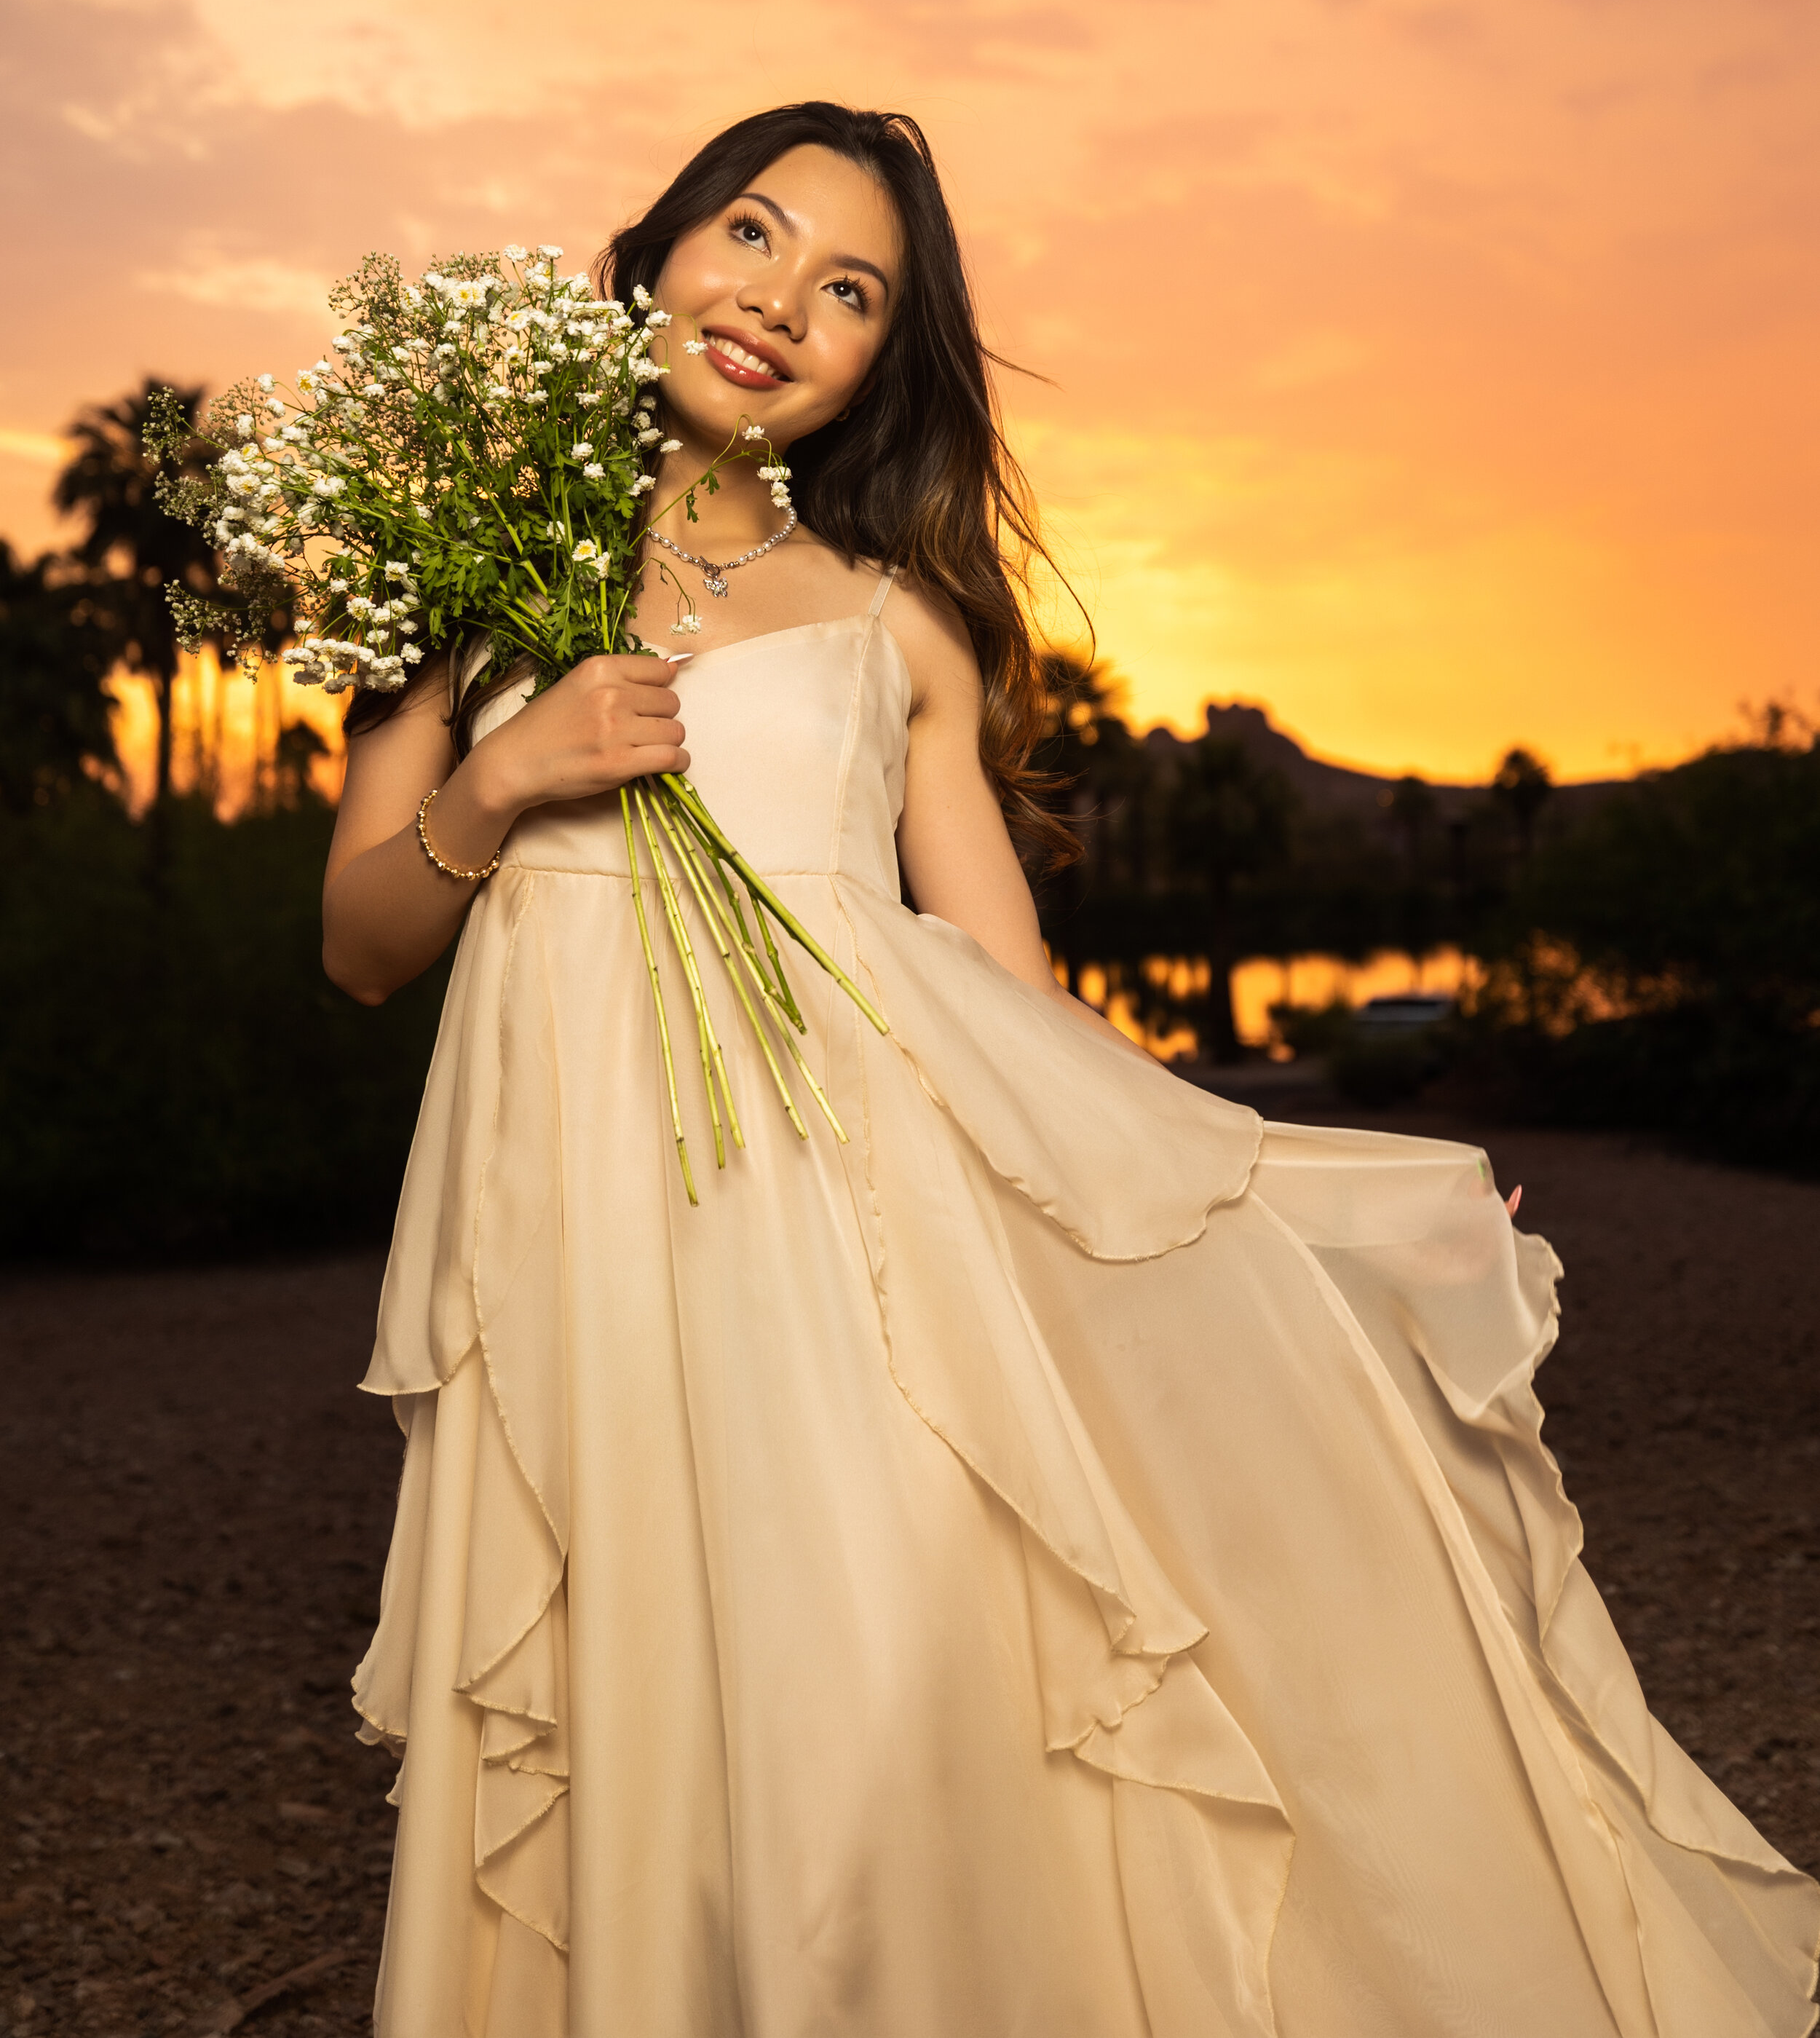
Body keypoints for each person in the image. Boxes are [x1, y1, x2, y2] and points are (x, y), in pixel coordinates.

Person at [324, 103, 1819, 2037]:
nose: (782, 302)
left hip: (850, 1277)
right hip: (570, 1265)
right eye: (752, 236)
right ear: (650, 250)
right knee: (618, 1698)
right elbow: (363, 948)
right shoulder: (466, 561)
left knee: (852, 1716)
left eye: (849, 291)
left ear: (882, 364)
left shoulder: (898, 628)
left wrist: (1312, 1222)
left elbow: (1019, 1020)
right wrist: (502, 779)